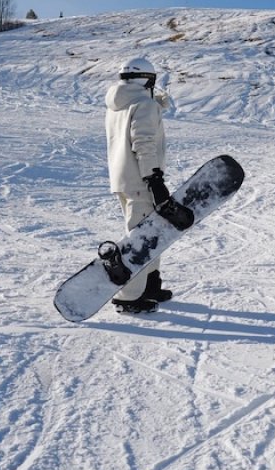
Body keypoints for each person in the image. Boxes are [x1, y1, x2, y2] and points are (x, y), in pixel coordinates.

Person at [105, 57, 174, 314]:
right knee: (141, 239)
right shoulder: (143, 104)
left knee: (150, 233)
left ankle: (149, 285)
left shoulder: (119, 104)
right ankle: (128, 296)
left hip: (123, 180)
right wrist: (154, 179)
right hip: (141, 180)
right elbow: (142, 142)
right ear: (147, 79)